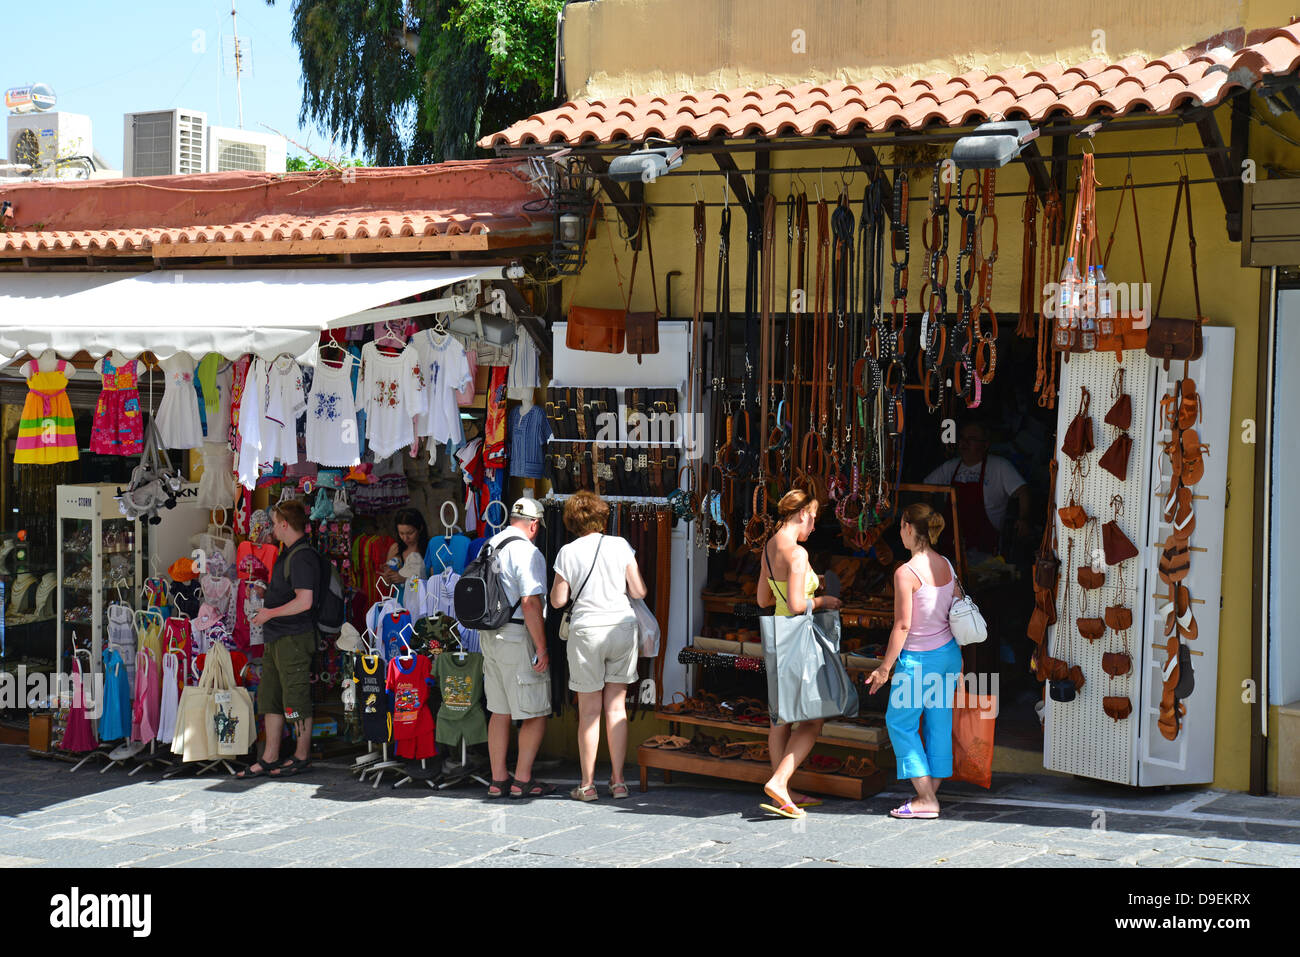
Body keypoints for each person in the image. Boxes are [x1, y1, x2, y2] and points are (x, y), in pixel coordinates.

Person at [867, 503, 965, 819]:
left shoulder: (905, 572)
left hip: (919, 660)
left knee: (900, 722)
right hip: (949, 655)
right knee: (939, 722)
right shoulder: (947, 565)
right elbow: (959, 611)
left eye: (900, 526)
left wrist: (884, 668)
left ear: (909, 527)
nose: (899, 532)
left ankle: (925, 799)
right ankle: (928, 794)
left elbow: (903, 625)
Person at [549, 490, 648, 801]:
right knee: (616, 708)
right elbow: (639, 591)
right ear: (602, 517)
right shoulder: (620, 545)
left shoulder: (567, 552)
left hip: (587, 631)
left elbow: (558, 600)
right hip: (621, 627)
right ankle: (618, 782)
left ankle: (587, 784)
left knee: (590, 712)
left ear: (571, 521)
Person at [755, 488, 842, 819]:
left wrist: (799, 585)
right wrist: (822, 601)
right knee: (813, 717)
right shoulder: (797, 553)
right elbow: (795, 606)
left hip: (777, 636)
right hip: (798, 638)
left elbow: (764, 599)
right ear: (803, 513)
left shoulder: (769, 547)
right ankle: (779, 782)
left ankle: (783, 792)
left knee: (781, 717)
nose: (815, 526)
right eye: (815, 517)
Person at [480, 497, 557, 799]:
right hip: (515, 636)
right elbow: (530, 601)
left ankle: (498, 779)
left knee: (499, 711)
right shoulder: (527, 551)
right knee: (535, 710)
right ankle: (522, 779)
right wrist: (542, 647)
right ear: (535, 524)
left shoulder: (490, 544)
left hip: (489, 636)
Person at [237, 500, 319, 778]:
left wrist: (270, 612)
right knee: (271, 696)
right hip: (277, 637)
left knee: (296, 696)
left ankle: (301, 755)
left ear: (285, 524)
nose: (272, 529)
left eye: (274, 523)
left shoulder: (302, 556)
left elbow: (305, 601)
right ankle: (270, 756)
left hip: (293, 638)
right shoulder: (288, 553)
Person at [923, 421, 1031, 564]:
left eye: (971, 439)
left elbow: (1023, 491)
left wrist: (1024, 518)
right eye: (962, 438)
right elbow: (926, 488)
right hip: (949, 549)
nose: (964, 443)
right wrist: (931, 517)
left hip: (985, 553)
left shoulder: (999, 466)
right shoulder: (950, 467)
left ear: (985, 445)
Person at [379, 508, 429, 587]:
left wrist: (406, 580)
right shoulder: (395, 549)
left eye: (410, 533)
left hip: (422, 597)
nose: (405, 538)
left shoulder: (429, 547)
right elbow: (387, 585)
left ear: (420, 528)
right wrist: (387, 579)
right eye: (401, 533)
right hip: (400, 596)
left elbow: (434, 580)